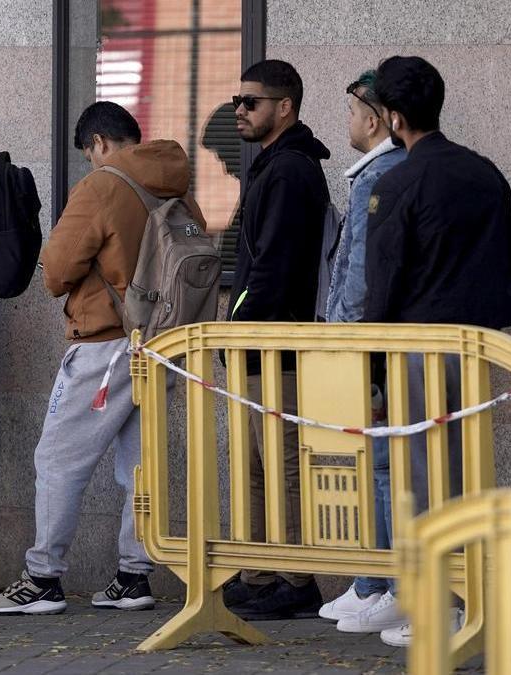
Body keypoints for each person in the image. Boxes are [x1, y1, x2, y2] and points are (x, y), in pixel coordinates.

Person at [0, 102, 206, 615]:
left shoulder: (102, 186)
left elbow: (57, 269)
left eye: (89, 153)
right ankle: (133, 576)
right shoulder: (176, 187)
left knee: (58, 458)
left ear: (99, 143)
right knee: (139, 467)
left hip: (106, 342)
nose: (91, 162)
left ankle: (42, 579)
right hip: (162, 343)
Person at [363, 55, 511, 648]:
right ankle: (465, 599)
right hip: (480, 346)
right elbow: (504, 265)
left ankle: (441, 604)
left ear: (395, 117)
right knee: (467, 475)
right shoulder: (485, 172)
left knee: (422, 479)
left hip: (417, 347)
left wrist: (373, 368)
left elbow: (382, 285)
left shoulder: (396, 182)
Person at [221, 59, 330, 621]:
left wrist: (238, 326)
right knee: (256, 465)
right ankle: (262, 571)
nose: (239, 110)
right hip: (259, 343)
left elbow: (273, 269)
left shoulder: (290, 170)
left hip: (275, 342)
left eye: (251, 102)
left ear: (283, 107)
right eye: (238, 101)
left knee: (282, 462)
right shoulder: (274, 165)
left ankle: (294, 576)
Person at [317, 69, 407, 634]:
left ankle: (388, 581)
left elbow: (359, 272)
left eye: (352, 113)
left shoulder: (381, 176)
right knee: (375, 465)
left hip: (367, 346)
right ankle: (374, 580)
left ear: (373, 119)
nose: (347, 122)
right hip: (371, 345)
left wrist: (341, 338)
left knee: (381, 467)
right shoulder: (377, 172)